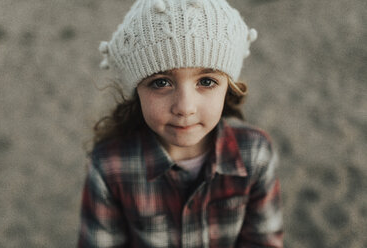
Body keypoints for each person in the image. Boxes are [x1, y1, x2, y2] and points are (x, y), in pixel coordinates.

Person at [77, 0, 283, 247]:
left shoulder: (255, 153)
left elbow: (263, 241)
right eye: (161, 82)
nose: (185, 107)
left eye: (206, 82)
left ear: (229, 87)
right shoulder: (109, 166)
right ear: (136, 91)